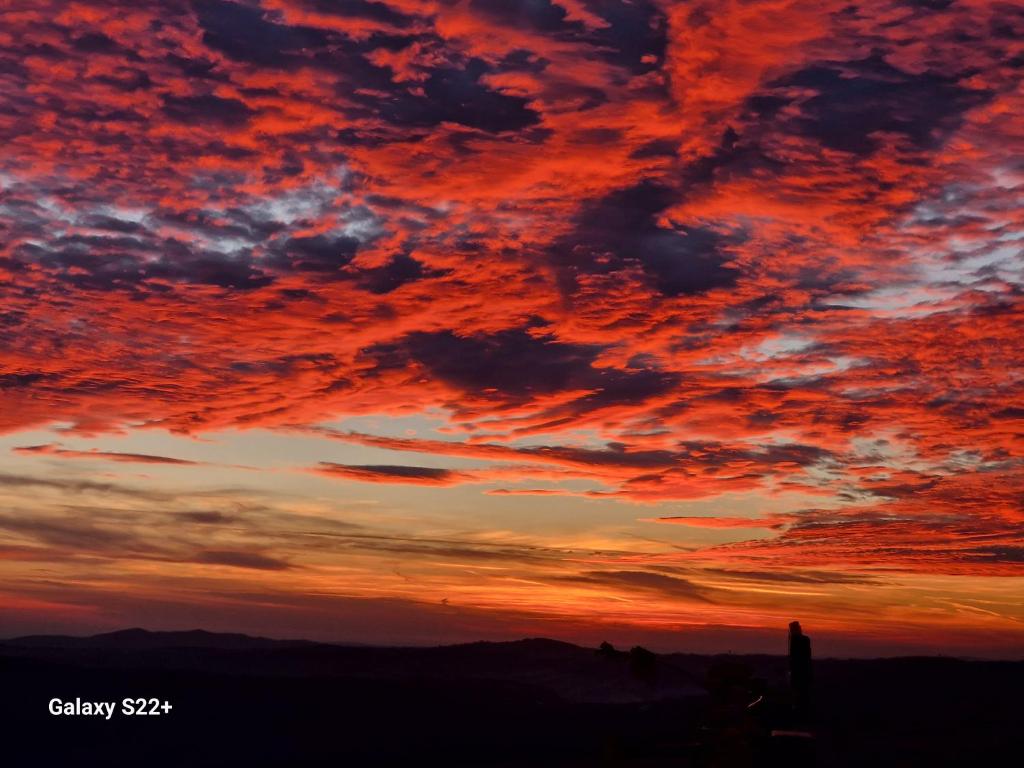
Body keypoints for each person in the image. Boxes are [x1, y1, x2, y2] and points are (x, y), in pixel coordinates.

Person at [788, 621, 812, 721]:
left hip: (800, 671)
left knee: (800, 693)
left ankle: (801, 714)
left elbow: (799, 657)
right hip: (800, 671)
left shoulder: (801, 640)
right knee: (799, 693)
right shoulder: (802, 639)